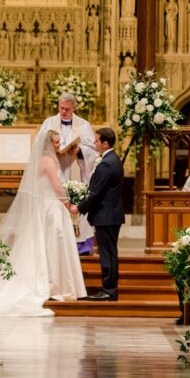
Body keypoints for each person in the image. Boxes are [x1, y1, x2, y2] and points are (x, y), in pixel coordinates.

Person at [0, 130, 86, 316]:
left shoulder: (44, 160)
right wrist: (68, 204)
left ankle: (54, 283)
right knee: (53, 245)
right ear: (48, 144)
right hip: (51, 208)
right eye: (56, 143)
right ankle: (54, 285)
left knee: (49, 245)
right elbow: (57, 186)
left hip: (47, 206)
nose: (59, 146)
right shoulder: (48, 161)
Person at [71, 127, 125, 301]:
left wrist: (79, 208)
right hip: (109, 215)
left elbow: (97, 193)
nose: (94, 143)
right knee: (109, 252)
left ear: (105, 143)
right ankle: (110, 288)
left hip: (106, 215)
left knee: (107, 253)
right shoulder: (111, 159)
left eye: (96, 141)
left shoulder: (107, 163)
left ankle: (109, 289)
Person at [40, 93, 97, 253]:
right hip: (54, 171)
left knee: (75, 203)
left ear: (74, 108)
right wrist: (54, 150)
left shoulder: (83, 125)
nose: (63, 111)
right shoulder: (49, 123)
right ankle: (53, 244)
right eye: (61, 108)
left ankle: (80, 245)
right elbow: (40, 146)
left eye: (67, 109)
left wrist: (79, 150)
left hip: (75, 172)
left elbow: (93, 151)